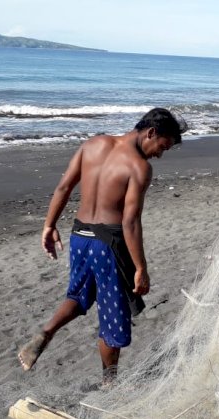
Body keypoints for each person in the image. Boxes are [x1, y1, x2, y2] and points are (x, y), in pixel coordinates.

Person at [18, 108, 187, 384]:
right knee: (112, 319)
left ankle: (46, 332)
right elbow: (130, 222)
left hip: (79, 236)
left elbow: (63, 188)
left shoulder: (92, 144)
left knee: (79, 295)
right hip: (109, 244)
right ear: (151, 133)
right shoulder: (139, 167)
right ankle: (110, 383)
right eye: (162, 146)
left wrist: (49, 226)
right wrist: (141, 268)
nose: (160, 154)